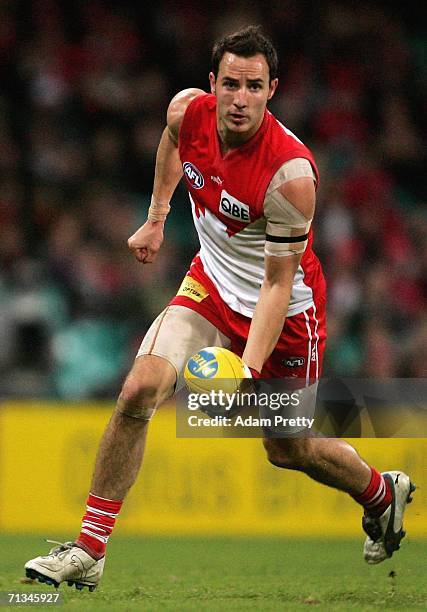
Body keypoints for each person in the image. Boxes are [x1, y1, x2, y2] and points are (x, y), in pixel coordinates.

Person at [25, 25, 415, 591]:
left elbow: (277, 287)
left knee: (288, 449)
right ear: (212, 83)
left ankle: (382, 492)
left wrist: (247, 372)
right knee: (138, 390)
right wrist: (158, 217)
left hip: (283, 316)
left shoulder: (291, 175)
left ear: (272, 89)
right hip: (207, 287)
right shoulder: (188, 112)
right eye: (230, 83)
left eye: (254, 86)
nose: (240, 97)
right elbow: (171, 141)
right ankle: (89, 549)